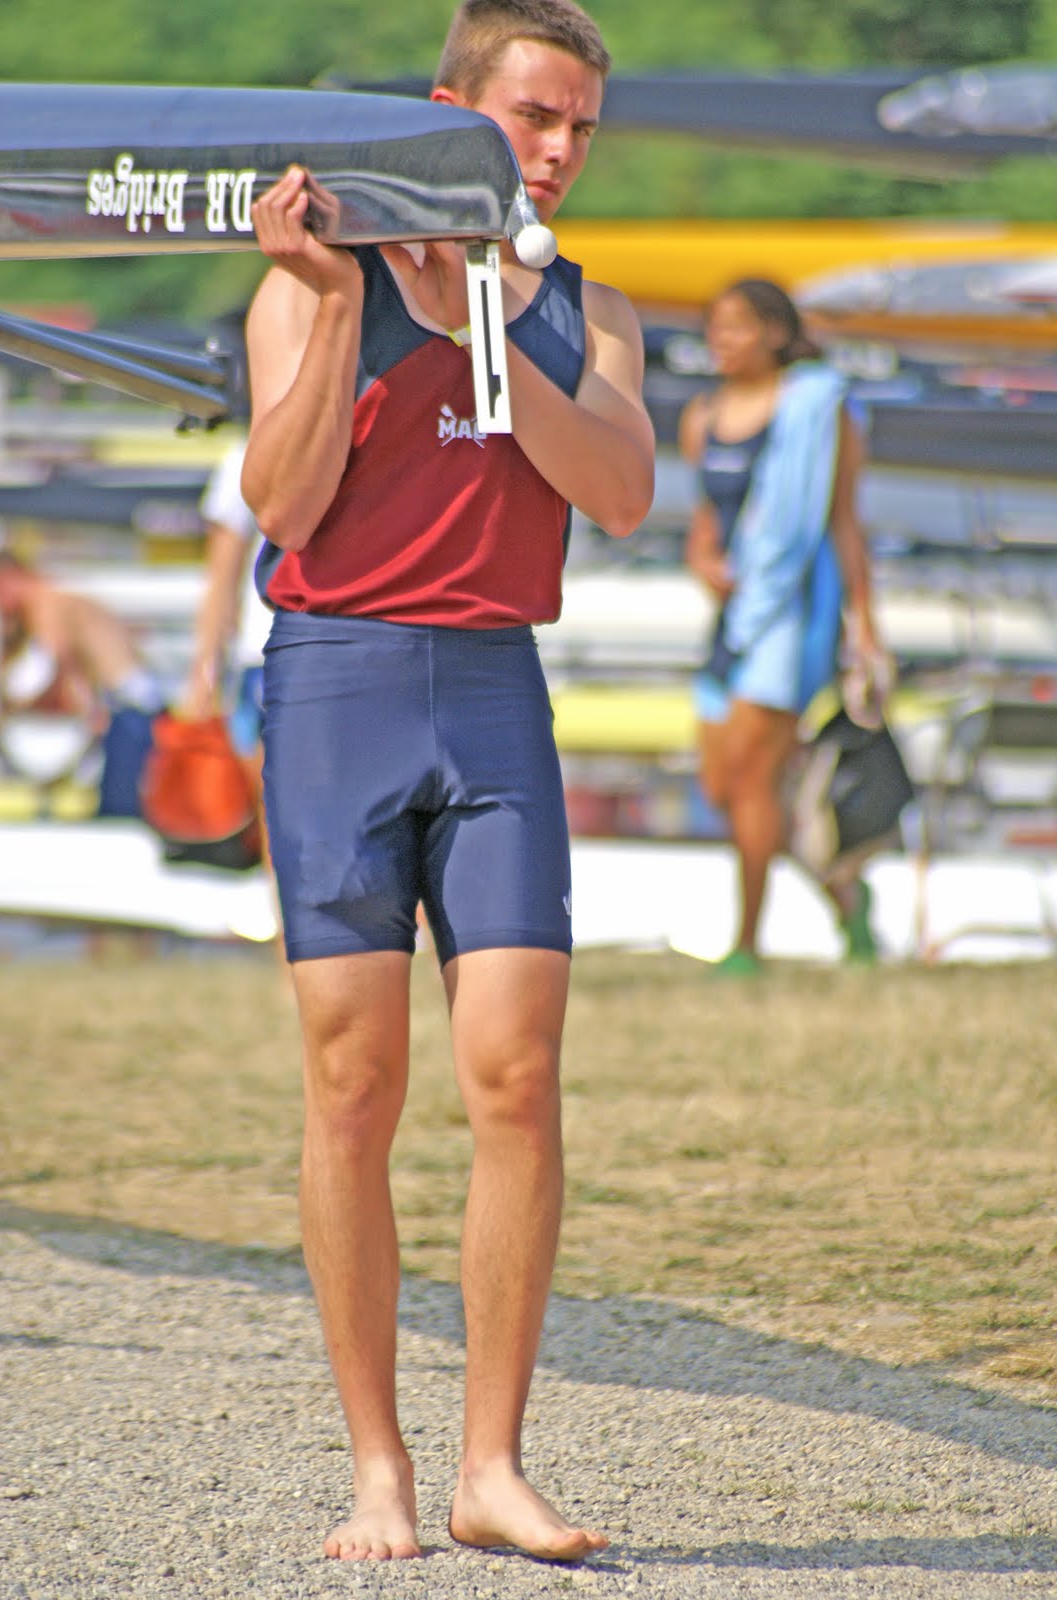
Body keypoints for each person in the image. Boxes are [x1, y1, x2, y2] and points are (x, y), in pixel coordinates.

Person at [241, 0, 654, 1566]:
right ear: (451, 110)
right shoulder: (313, 281)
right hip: (339, 683)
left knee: (517, 1077)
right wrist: (345, 306)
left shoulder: (584, 309)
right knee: (354, 1086)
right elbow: (283, 507)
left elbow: (615, 491)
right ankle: (378, 1471)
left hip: (490, 692)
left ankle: (492, 1466)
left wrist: (490, 321)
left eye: (578, 130)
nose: (555, 153)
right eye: (532, 119)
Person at [679, 278, 888, 974]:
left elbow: (842, 522)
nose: (721, 341)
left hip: (793, 615)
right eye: (714, 327)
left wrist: (864, 627)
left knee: (752, 781)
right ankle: (847, 901)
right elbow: (706, 520)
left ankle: (746, 944)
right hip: (734, 617)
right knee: (722, 786)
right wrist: (704, 559)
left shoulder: (816, 409)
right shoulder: (701, 414)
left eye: (735, 327)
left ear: (773, 332)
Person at [0, 549, 165, 814]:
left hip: (130, 704)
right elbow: (75, 670)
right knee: (118, 803)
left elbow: (50, 668)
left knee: (120, 812)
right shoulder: (57, 599)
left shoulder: (45, 601)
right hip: (131, 699)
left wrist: (10, 709)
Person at [183, 438, 270, 758]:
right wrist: (205, 670)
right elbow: (222, 578)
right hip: (271, 651)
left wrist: (205, 670)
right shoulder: (242, 454)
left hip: (265, 652)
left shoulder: (245, 452)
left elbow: (221, 576)